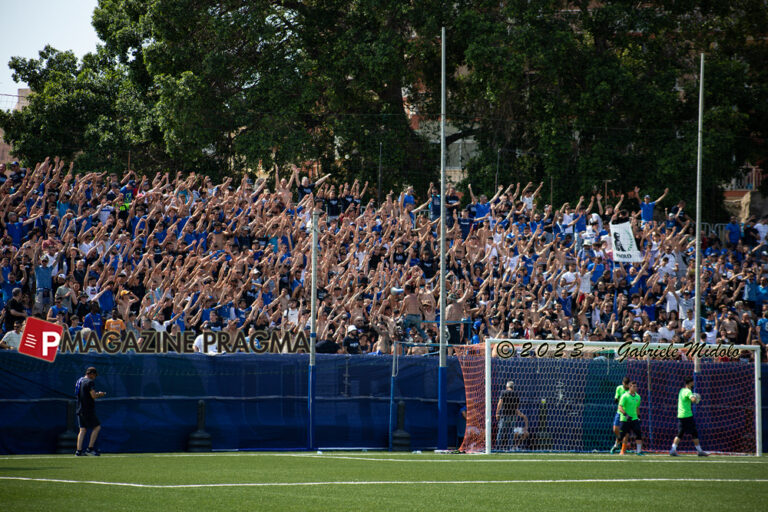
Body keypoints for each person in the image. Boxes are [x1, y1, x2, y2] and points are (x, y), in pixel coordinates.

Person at [670, 377, 708, 456]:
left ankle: (673, 450)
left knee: (680, 433)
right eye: (692, 382)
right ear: (690, 383)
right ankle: (700, 451)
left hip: (680, 415)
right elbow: (693, 400)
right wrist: (697, 398)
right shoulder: (688, 391)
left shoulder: (681, 390)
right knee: (694, 433)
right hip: (687, 416)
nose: (693, 384)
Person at [75, 367, 106, 456]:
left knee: (82, 429)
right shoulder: (89, 382)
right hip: (87, 409)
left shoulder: (79, 380)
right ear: (92, 374)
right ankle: (90, 448)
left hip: (79, 408)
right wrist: (100, 394)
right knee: (97, 427)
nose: (95, 377)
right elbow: (93, 396)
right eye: (95, 375)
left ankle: (79, 451)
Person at [495, 381, 528, 451]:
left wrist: (497, 413)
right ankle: (509, 448)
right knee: (510, 433)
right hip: (513, 416)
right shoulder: (516, 394)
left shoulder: (503, 392)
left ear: (507, 387)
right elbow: (516, 406)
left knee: (501, 432)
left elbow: (500, 403)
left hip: (504, 415)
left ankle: (497, 448)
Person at [618, 380, 643, 455]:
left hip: (634, 419)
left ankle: (638, 452)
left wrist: (639, 417)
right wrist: (626, 415)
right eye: (633, 386)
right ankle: (616, 446)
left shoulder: (638, 397)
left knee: (638, 433)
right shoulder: (625, 396)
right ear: (629, 387)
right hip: (625, 419)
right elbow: (620, 407)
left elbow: (637, 407)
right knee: (622, 436)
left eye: (636, 386)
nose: (635, 388)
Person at [610, 377, 630, 454]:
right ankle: (619, 442)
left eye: (627, 385)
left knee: (626, 432)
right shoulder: (619, 388)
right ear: (623, 383)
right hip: (619, 412)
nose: (626, 386)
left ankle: (622, 449)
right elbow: (616, 398)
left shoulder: (630, 391)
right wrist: (617, 399)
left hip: (627, 413)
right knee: (615, 429)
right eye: (625, 385)